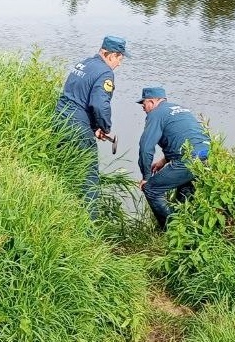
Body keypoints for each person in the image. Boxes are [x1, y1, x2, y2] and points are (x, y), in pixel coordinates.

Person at [54, 36, 131, 216]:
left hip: (60, 121)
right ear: (110, 55)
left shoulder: (84, 64)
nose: (119, 64)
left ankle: (63, 212)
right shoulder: (105, 73)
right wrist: (105, 128)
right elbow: (99, 104)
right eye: (119, 58)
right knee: (89, 177)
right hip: (77, 128)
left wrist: (94, 125)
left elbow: (77, 97)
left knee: (67, 169)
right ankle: (91, 226)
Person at [136, 87, 210, 230]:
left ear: (151, 101)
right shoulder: (181, 109)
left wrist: (146, 177)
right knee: (184, 193)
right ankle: (188, 227)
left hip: (188, 160)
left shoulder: (155, 114)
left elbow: (145, 148)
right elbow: (186, 137)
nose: (143, 108)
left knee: (151, 189)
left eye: (143, 104)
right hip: (206, 155)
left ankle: (172, 230)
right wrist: (164, 161)